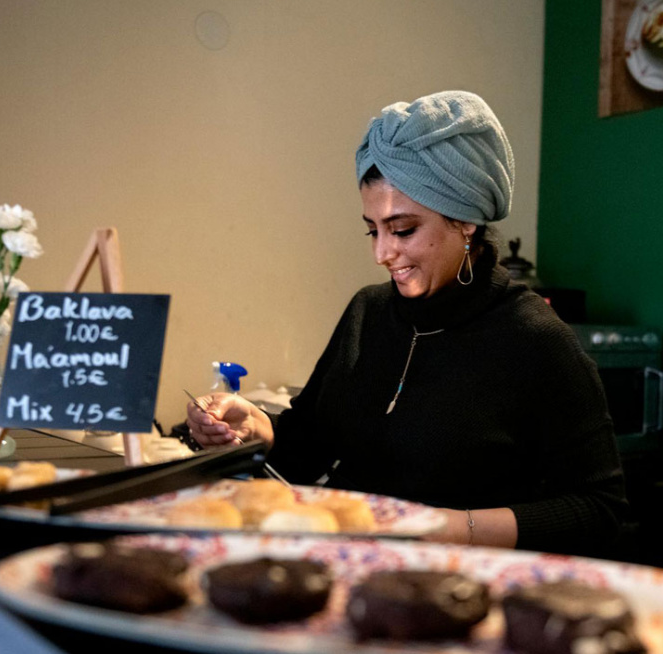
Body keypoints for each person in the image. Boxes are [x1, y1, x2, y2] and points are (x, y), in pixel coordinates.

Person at [187, 90, 626, 556]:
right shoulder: (368, 312)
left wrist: (449, 528)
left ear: (466, 221)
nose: (381, 254)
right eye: (372, 230)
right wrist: (257, 429)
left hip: (453, 586)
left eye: (402, 230)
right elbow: (306, 447)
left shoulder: (536, 340)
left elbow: (598, 510)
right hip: (348, 565)